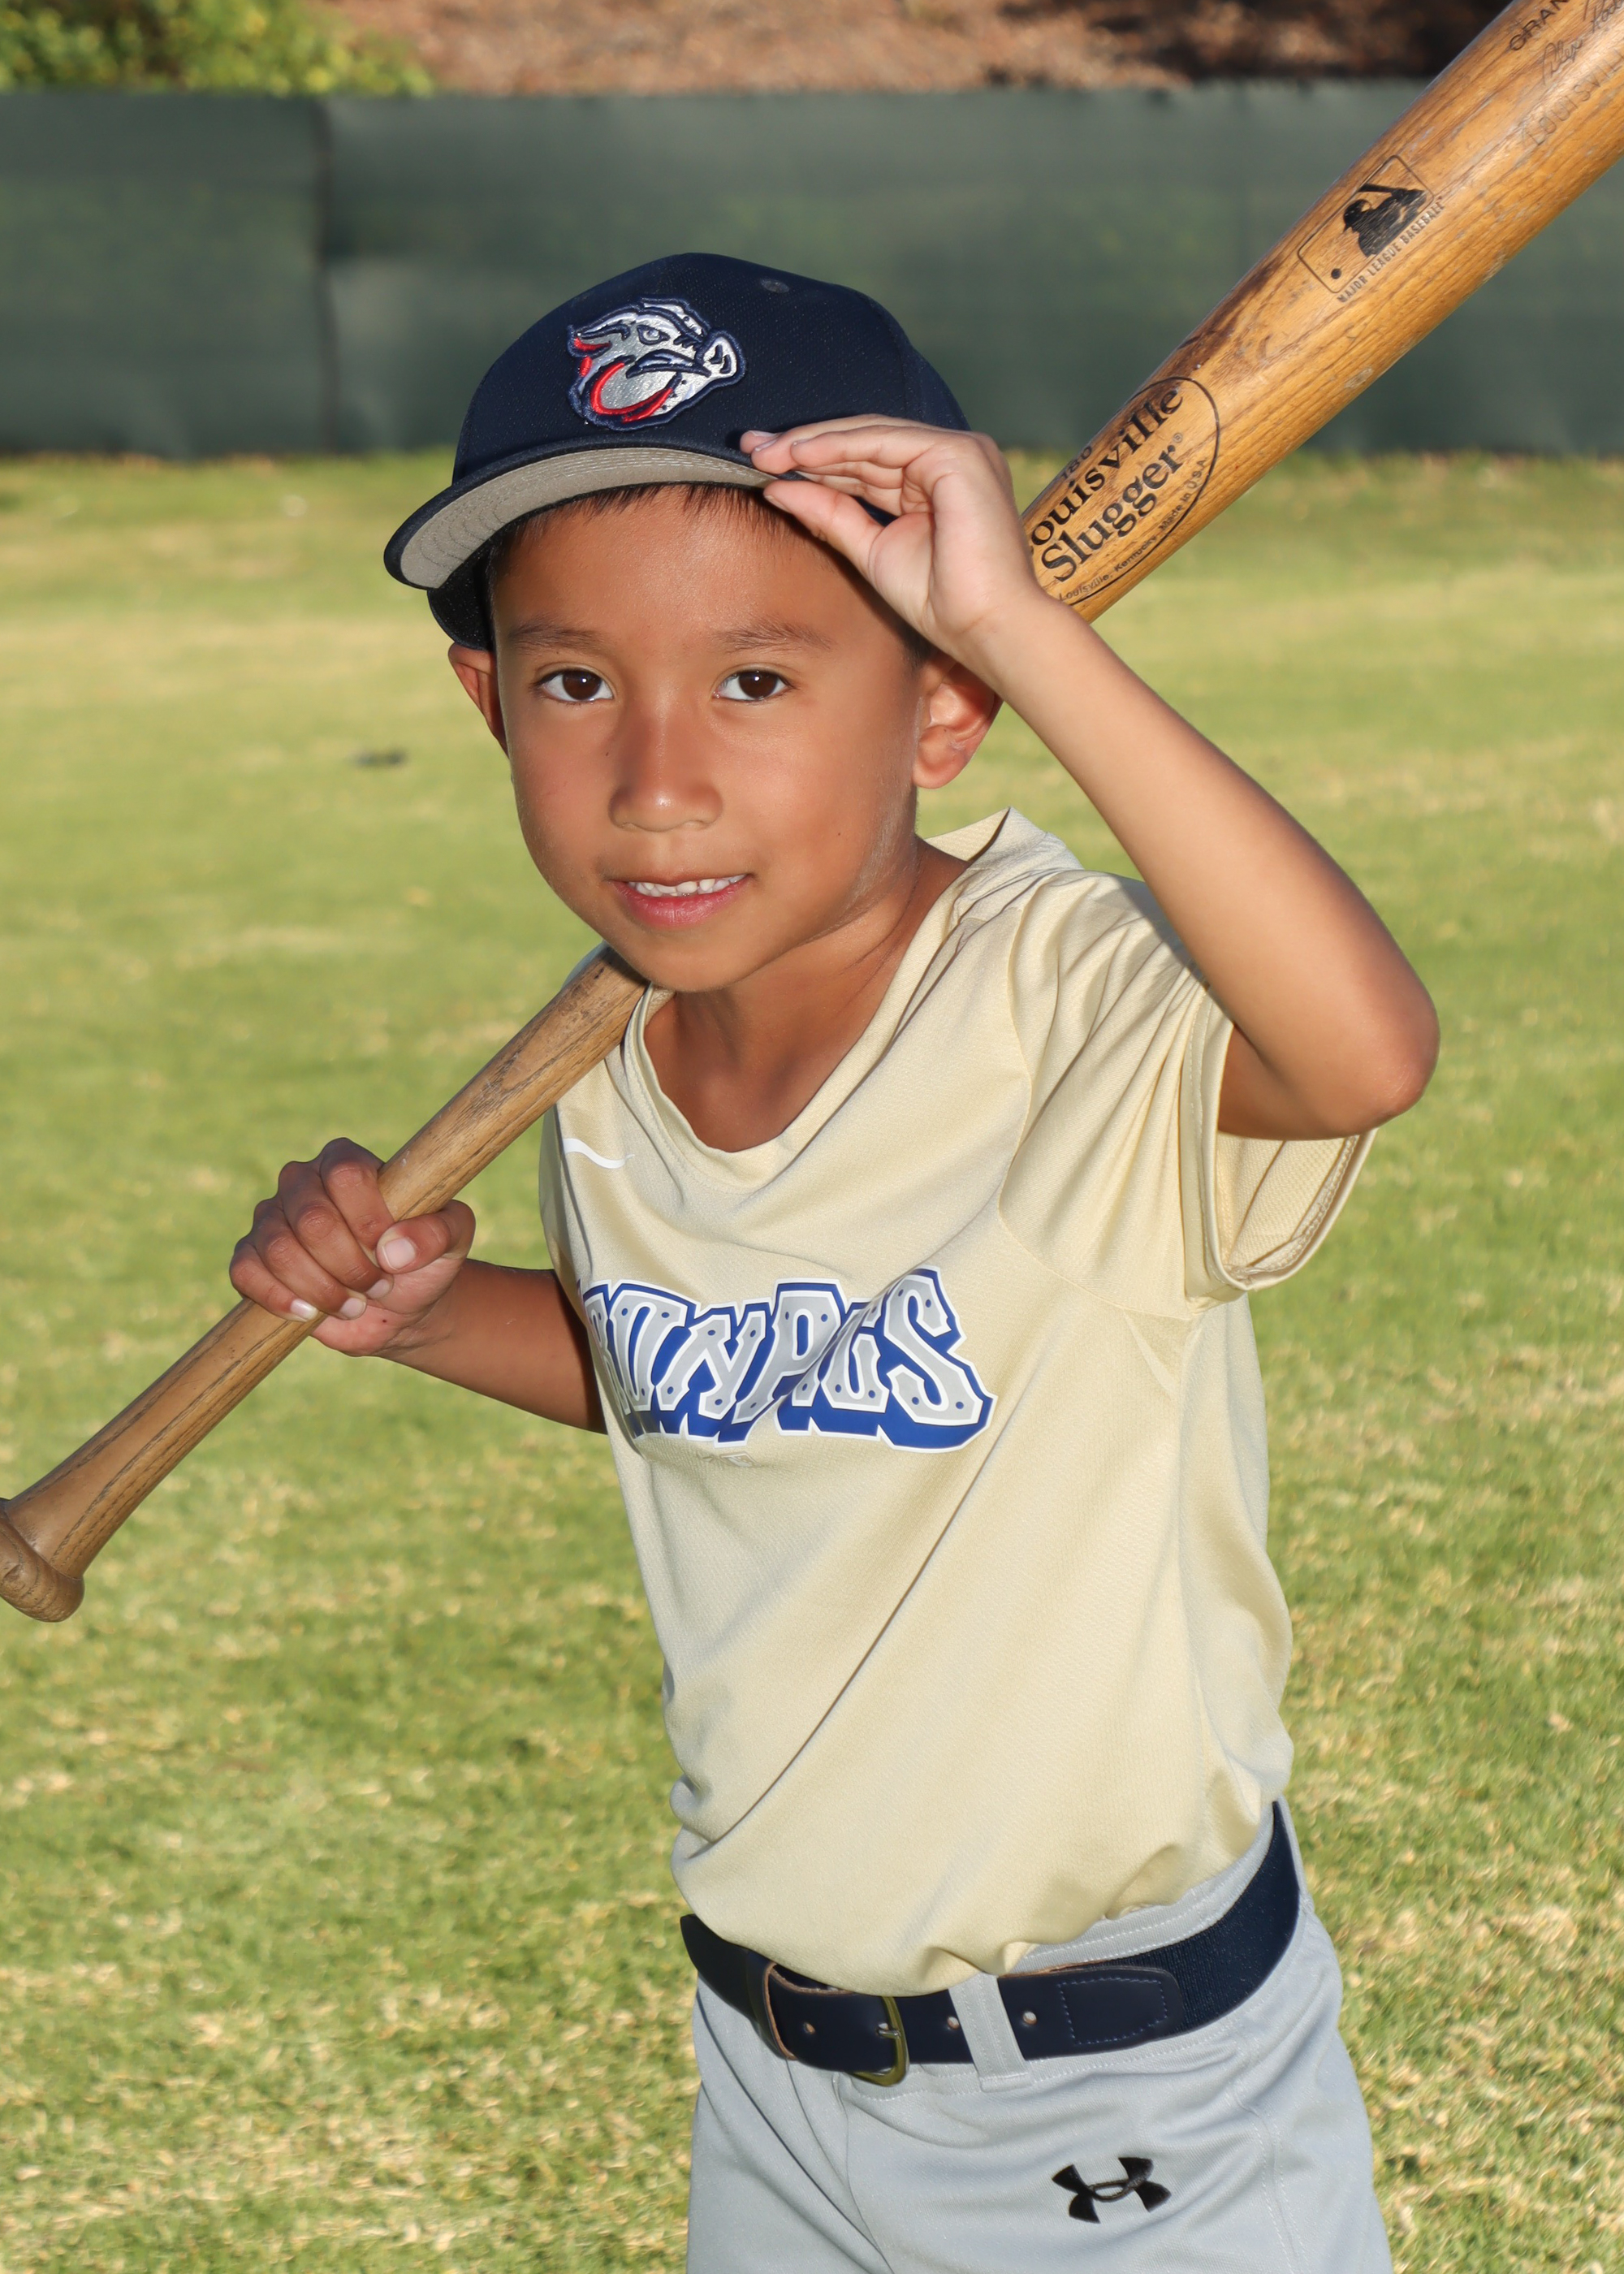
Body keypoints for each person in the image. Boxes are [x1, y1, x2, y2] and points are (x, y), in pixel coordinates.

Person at [230, 253, 1436, 2270]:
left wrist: (1025, 624)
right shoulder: (610, 1064)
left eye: (760, 681)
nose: (659, 779)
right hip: (774, 2073)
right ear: (485, 700)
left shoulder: (1063, 996)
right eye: (576, 683)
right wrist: (431, 1315)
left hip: (1122, 2084)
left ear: (940, 705)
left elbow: (1360, 1051)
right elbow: (711, 1370)